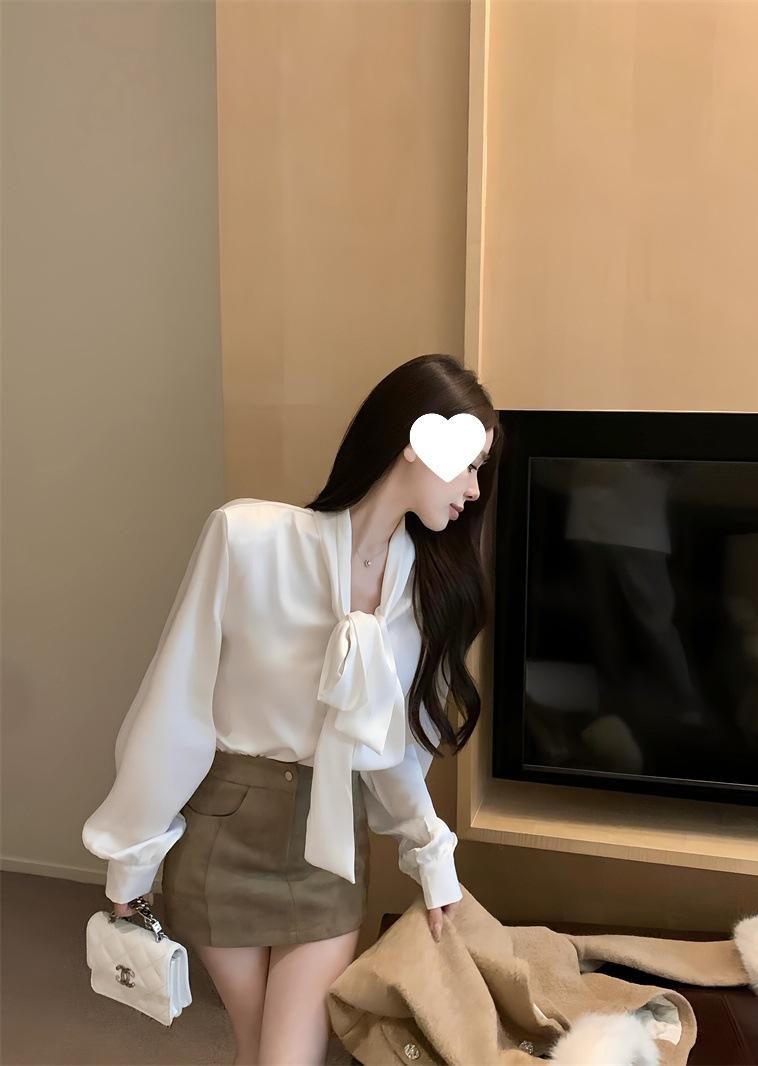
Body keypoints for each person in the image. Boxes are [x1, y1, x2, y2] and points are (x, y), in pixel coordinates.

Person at [82, 352, 502, 1066]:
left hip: (328, 849)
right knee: (261, 1050)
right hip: (223, 836)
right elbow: (175, 706)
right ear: (416, 442)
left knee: (281, 1057)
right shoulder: (246, 538)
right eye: (469, 465)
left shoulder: (422, 592)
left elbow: (390, 753)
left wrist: (432, 859)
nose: (473, 489)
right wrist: (131, 858)